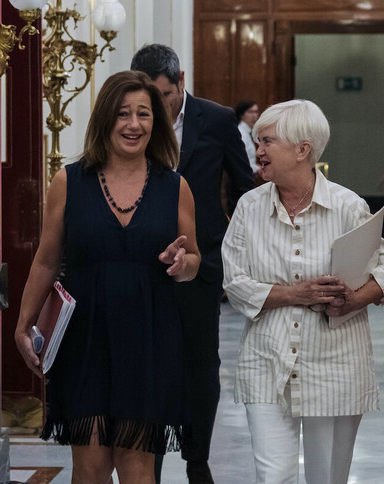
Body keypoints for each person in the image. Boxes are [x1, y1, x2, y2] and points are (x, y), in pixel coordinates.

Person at [14, 70, 200, 484]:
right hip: (85, 338)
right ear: (105, 120)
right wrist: (23, 324)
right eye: (122, 114)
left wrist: (181, 263)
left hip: (149, 335)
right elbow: (46, 260)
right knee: (91, 467)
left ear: (157, 122)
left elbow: (193, 261)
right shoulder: (69, 181)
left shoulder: (175, 187)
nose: (134, 124)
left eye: (144, 114)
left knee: (137, 469)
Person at [221, 99, 384, 484]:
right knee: (273, 478)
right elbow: (235, 284)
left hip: (336, 363)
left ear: (302, 150)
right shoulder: (248, 208)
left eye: (267, 141)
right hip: (267, 363)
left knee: (328, 479)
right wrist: (295, 294)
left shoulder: (347, 206)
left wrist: (355, 299)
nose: (258, 151)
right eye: (257, 141)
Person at [130, 44, 254, 483]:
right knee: (150, 365)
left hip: (203, 266)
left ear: (181, 81)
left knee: (201, 366)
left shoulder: (217, 120)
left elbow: (245, 192)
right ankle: (153, 461)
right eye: (148, 96)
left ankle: (197, 457)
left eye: (164, 95)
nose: (156, 107)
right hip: (143, 264)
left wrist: (229, 253)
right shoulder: (130, 122)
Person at [235, 100, 260, 175]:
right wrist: (256, 168)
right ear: (242, 115)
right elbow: (239, 160)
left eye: (256, 112)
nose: (254, 115)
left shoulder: (249, 132)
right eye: (250, 112)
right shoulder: (241, 133)